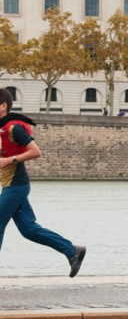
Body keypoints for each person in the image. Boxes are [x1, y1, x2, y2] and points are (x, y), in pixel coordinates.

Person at [0, 88, 86, 277]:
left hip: (16, 186)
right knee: (29, 229)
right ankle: (72, 251)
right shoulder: (2, 129)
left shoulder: (15, 128)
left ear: (3, 106)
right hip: (10, 186)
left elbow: (35, 151)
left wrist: (10, 160)